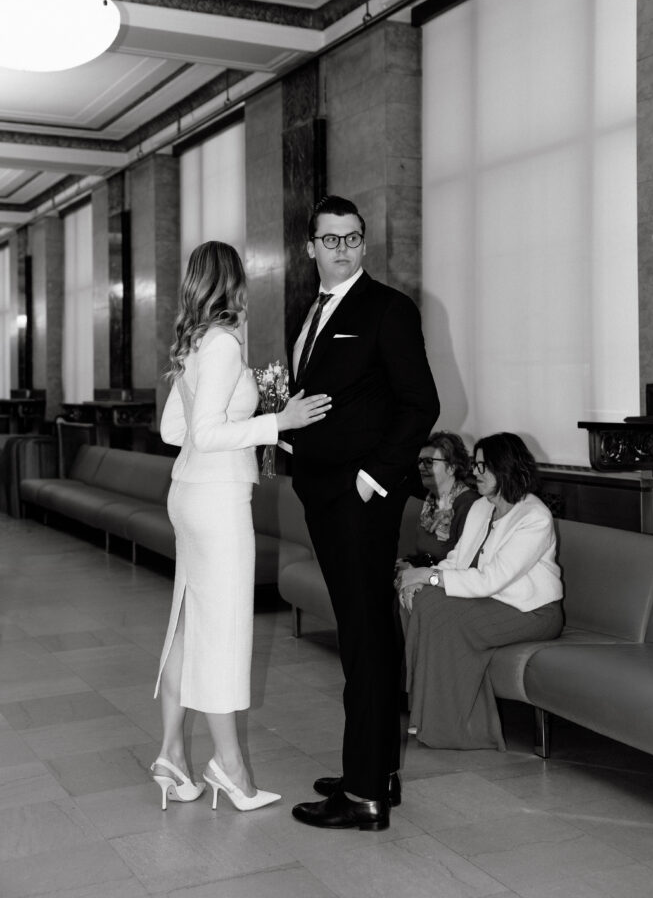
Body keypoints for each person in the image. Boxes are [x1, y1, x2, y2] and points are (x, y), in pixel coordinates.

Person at [151, 241, 331, 812]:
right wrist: (277, 421)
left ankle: (171, 755)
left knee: (187, 623)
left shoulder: (193, 342)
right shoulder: (224, 342)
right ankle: (229, 768)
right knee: (223, 632)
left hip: (187, 493)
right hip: (218, 500)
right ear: (234, 281)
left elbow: (171, 431)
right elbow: (202, 432)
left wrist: (248, 427)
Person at [286, 195, 440, 831]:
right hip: (323, 494)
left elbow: (419, 404)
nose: (343, 248)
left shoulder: (387, 308)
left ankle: (363, 794)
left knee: (365, 639)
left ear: (363, 243)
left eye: (352, 238)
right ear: (310, 247)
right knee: (368, 632)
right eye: (331, 239)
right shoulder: (315, 310)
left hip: (358, 502)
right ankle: (375, 771)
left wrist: (372, 479)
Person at [398, 432, 563, 751]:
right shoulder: (481, 508)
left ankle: (462, 729)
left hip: (532, 612)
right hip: (493, 602)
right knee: (419, 599)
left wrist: (429, 577)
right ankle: (422, 713)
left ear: (505, 468)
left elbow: (492, 579)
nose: (475, 472)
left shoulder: (534, 516)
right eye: (475, 464)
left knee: (441, 612)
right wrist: (420, 580)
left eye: (483, 466)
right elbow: (459, 559)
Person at [398, 431, 477, 570]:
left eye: (429, 462)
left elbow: (465, 564)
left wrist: (418, 572)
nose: (421, 467)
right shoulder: (430, 500)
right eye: (420, 461)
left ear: (452, 467)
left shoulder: (469, 504)